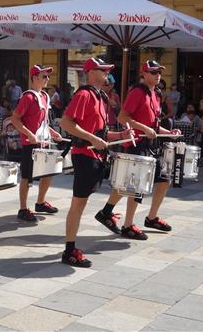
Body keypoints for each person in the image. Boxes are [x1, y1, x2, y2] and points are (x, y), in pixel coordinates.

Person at [60, 57, 134, 267]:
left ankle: (71, 247)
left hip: (94, 156)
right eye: (103, 70)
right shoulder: (84, 94)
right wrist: (92, 139)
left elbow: (101, 133)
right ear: (92, 72)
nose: (107, 74)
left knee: (81, 203)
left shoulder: (101, 97)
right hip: (84, 155)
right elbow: (66, 122)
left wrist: (120, 135)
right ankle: (69, 251)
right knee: (78, 204)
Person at [95, 60, 181, 240]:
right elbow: (122, 116)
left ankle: (150, 217)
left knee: (163, 179)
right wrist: (144, 128)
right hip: (135, 144)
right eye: (153, 72)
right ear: (145, 74)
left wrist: (169, 132)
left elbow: (154, 125)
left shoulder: (156, 93)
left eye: (159, 72)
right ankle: (127, 224)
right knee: (134, 186)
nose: (158, 75)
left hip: (149, 145)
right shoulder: (137, 92)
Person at [9, 65, 63, 222]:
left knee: (48, 173)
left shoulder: (45, 96)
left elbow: (43, 122)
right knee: (27, 177)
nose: (47, 79)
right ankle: (23, 208)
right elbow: (15, 118)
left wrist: (53, 133)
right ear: (34, 78)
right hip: (31, 143)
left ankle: (40, 202)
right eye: (44, 76)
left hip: (44, 141)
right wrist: (29, 135)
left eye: (47, 76)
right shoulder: (28, 97)